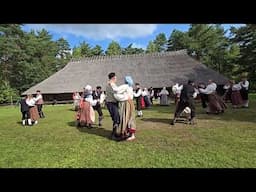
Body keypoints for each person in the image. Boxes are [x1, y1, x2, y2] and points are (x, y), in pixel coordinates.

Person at [112, 76, 136, 141]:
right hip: (130, 103)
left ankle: (128, 133)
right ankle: (129, 133)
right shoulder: (130, 87)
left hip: (126, 103)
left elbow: (116, 90)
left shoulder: (125, 86)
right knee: (130, 117)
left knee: (126, 117)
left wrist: (112, 83)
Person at [105, 72, 120, 140]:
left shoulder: (109, 84)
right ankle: (113, 135)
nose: (116, 79)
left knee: (116, 118)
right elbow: (116, 93)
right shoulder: (111, 84)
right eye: (116, 78)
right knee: (116, 119)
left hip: (111, 103)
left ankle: (114, 133)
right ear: (113, 78)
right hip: (112, 103)